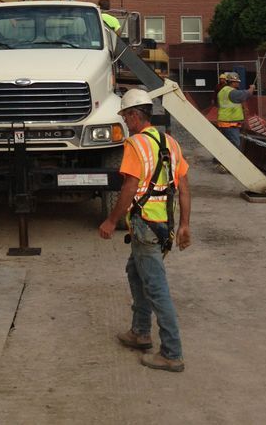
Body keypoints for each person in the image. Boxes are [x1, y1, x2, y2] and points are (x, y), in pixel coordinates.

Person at [99, 88, 191, 373]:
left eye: (125, 116)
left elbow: (128, 188)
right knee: (135, 271)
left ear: (134, 115)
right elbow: (184, 189)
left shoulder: (136, 144)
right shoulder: (171, 143)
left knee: (155, 288)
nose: (125, 121)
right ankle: (140, 332)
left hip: (144, 225)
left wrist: (111, 221)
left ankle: (172, 353)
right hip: (164, 224)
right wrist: (185, 224)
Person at [217, 71, 255, 150]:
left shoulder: (223, 91)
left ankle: (220, 159)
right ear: (232, 82)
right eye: (237, 82)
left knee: (225, 142)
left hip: (224, 122)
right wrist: (252, 88)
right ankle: (231, 161)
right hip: (230, 123)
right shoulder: (232, 92)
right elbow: (246, 94)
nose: (238, 84)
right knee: (235, 144)